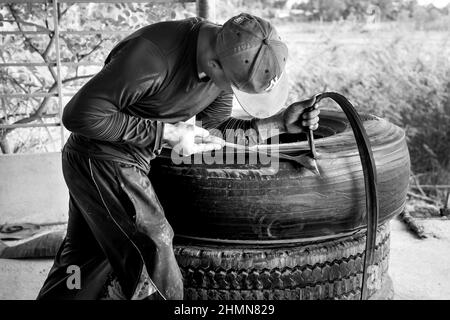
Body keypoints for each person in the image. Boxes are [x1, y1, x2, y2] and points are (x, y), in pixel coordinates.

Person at [37, 12, 320, 300]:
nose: (230, 92)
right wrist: (167, 134)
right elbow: (79, 115)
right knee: (154, 245)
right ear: (213, 64)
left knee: (82, 261)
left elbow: (215, 131)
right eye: (233, 87)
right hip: (100, 159)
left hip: (122, 161)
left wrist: (278, 124)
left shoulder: (222, 61)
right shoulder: (152, 56)